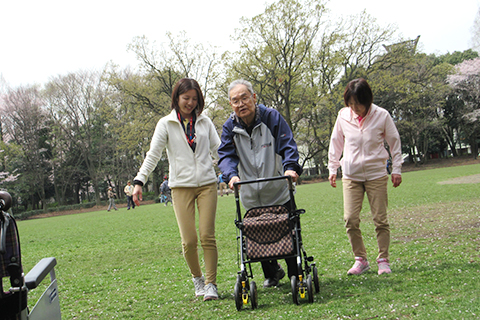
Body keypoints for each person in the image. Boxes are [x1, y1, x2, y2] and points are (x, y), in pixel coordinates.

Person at [132, 78, 221, 301]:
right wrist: (139, 181)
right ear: (177, 98)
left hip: (207, 185)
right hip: (181, 187)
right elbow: (153, 155)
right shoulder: (166, 124)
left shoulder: (205, 122)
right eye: (186, 98)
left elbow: (219, 151)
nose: (190, 103)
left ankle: (211, 284)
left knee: (207, 236)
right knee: (189, 240)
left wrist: (235, 172)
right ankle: (197, 279)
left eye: (194, 99)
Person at [217, 79, 302, 288]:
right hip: (250, 193)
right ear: (231, 105)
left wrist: (290, 167)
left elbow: (287, 142)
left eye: (244, 98)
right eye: (235, 101)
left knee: (287, 232)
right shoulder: (229, 127)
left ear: (254, 98)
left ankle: (295, 273)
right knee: (259, 235)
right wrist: (231, 176)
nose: (241, 104)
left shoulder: (271, 117)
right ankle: (272, 274)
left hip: (278, 188)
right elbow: (226, 155)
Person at [327, 78, 403, 276]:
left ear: (367, 100)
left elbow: (395, 143)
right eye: (350, 103)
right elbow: (336, 142)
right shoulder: (343, 116)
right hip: (351, 176)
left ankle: (383, 259)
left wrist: (397, 169)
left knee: (380, 219)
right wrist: (333, 168)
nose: (354, 108)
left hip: (376, 174)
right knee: (350, 219)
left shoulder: (382, 116)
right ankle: (360, 259)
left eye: (358, 103)